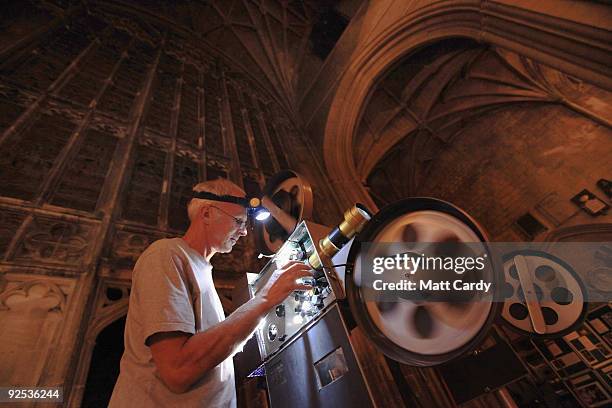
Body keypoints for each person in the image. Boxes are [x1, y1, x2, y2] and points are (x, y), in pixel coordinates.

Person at [109, 178, 313, 407]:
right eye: (238, 221)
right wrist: (265, 299)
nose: (245, 232)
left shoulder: (202, 273)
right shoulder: (166, 255)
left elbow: (214, 354)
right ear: (206, 214)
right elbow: (178, 370)